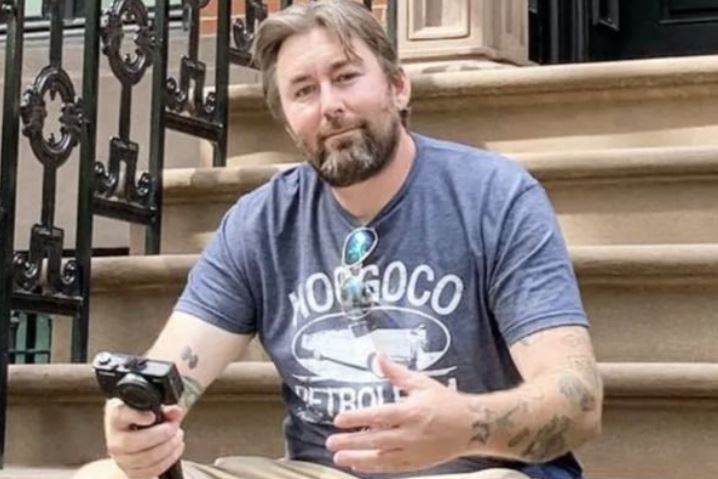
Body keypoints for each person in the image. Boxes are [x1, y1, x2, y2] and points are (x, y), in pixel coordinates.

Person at [72, 1, 602, 478]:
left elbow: (578, 403)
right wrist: (135, 426)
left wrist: (464, 425)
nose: (329, 105)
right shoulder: (262, 224)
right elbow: (171, 372)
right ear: (288, 123)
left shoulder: (494, 197)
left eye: (346, 77)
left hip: (479, 469)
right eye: (304, 91)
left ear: (398, 87)